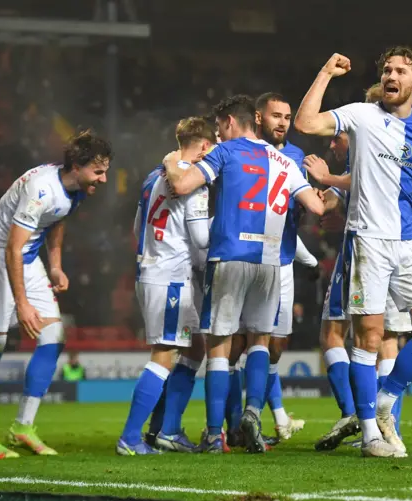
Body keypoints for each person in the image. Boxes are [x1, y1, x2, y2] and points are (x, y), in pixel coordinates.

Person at [295, 47, 412, 458]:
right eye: (386, 69)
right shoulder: (362, 115)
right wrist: (326, 72)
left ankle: (384, 403)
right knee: (369, 337)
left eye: (400, 70)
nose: (390, 75)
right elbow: (306, 121)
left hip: (409, 240)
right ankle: (370, 436)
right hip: (368, 240)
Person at [164, 95, 324, 453]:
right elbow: (315, 205)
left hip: (230, 256)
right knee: (260, 342)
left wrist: (173, 162)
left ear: (231, 123)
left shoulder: (227, 151)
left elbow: (182, 185)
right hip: (269, 262)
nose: (218, 134)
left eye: (220, 127)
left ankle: (213, 434)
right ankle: (253, 412)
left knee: (219, 347)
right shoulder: (284, 159)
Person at [0, 130, 112, 459]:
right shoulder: (40, 190)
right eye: (99, 171)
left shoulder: (74, 187)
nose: (104, 179)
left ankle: (22, 427)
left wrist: (56, 266)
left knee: (54, 334)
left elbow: (57, 220)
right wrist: (22, 304)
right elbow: (12, 247)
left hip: (29, 258)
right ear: (77, 165)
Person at [311, 84, 412, 452]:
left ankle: (356, 415)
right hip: (404, 244)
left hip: (369, 244)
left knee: (335, 333)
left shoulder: (369, 141)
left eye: (338, 136)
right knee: (387, 340)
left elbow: (350, 186)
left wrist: (325, 184)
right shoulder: (407, 138)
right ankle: (389, 430)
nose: (335, 143)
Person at [116, 117, 214, 456]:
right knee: (163, 354)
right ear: (204, 145)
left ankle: (165, 429)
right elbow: (201, 239)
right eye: (212, 147)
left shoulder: (150, 178)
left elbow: (136, 227)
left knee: (194, 348)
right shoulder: (194, 183)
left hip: (152, 269)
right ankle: (130, 438)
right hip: (171, 276)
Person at [225, 92, 317, 447]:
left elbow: (305, 210)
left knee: (273, 347)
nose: (283, 122)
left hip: (280, 263)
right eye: (276, 116)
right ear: (259, 118)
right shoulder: (238, 149)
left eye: (288, 116)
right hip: (241, 257)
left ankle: (260, 419)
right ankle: (232, 425)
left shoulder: (294, 157)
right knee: (235, 346)